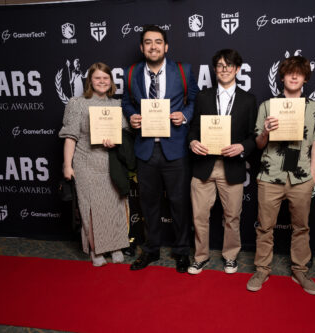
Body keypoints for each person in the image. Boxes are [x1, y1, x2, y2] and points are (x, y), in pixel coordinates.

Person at [246, 56, 315, 295]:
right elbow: (259, 144)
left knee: (301, 227)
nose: (293, 77)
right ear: (282, 76)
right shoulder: (268, 106)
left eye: (299, 73)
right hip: (270, 176)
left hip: (301, 178)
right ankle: (262, 269)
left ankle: (300, 270)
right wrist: (266, 133)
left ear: (305, 78)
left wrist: (312, 175)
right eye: (289, 72)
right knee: (265, 227)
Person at [122, 25, 199, 273]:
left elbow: (194, 100)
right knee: (149, 205)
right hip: (145, 149)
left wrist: (184, 115)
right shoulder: (131, 72)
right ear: (142, 47)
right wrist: (132, 116)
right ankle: (151, 250)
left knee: (179, 204)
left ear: (166, 46)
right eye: (148, 42)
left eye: (158, 42)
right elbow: (126, 102)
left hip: (175, 149)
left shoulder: (183, 71)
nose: (153, 46)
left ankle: (181, 251)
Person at [187, 49, 257, 275]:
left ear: (237, 69)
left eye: (229, 66)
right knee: (199, 216)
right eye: (220, 66)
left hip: (233, 166)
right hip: (204, 165)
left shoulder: (248, 100)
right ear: (215, 70)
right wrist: (193, 142)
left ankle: (230, 256)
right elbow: (193, 129)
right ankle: (200, 257)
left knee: (232, 216)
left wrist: (242, 147)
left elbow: (254, 137)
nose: (224, 70)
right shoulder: (204, 96)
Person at [59, 62, 130, 267]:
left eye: (105, 78)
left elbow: (125, 135)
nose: (102, 81)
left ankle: (116, 246)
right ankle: (95, 249)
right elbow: (70, 137)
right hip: (86, 163)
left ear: (111, 81)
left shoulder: (117, 105)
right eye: (97, 78)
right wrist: (67, 165)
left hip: (111, 163)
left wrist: (117, 141)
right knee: (91, 208)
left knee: (114, 206)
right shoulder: (77, 103)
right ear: (90, 80)